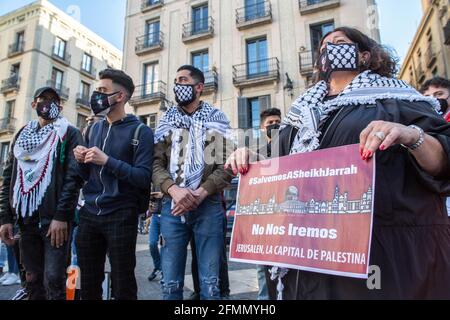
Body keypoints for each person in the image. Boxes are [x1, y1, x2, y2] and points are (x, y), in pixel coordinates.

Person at [225, 27, 450, 300]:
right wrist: (253, 161)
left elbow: (443, 159)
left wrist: (411, 136)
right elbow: (279, 165)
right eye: (323, 48)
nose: (328, 50)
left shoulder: (399, 98)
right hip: (308, 257)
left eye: (339, 43)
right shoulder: (300, 113)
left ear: (365, 56)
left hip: (380, 254)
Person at [153, 65, 234, 300]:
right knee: (170, 283)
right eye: (176, 80)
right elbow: (155, 164)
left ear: (198, 87)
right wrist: (173, 189)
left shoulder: (217, 120)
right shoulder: (166, 121)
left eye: (183, 80)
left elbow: (226, 165)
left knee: (211, 285)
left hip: (207, 206)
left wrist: (201, 193)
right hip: (172, 207)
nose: (178, 85)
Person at [73, 69, 154, 300]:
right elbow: (83, 175)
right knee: (87, 283)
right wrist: (78, 159)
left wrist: (107, 161)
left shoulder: (141, 131)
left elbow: (142, 177)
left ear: (120, 96)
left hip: (121, 214)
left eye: (102, 91)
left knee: (123, 282)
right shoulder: (92, 129)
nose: (95, 96)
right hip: (89, 214)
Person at [0, 87, 83, 299]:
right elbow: (9, 176)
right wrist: (5, 218)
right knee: (30, 277)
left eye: (53, 100)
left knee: (54, 279)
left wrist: (61, 217)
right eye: (43, 99)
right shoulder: (21, 135)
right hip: (25, 221)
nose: (48, 103)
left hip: (54, 223)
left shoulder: (70, 134)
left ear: (60, 106)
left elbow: (74, 179)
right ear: (34, 104)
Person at [148, 192, 163, 282]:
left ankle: (164, 271)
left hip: (167, 215)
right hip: (155, 215)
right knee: (152, 243)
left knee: (164, 245)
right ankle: (158, 266)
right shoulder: (155, 180)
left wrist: (163, 195)